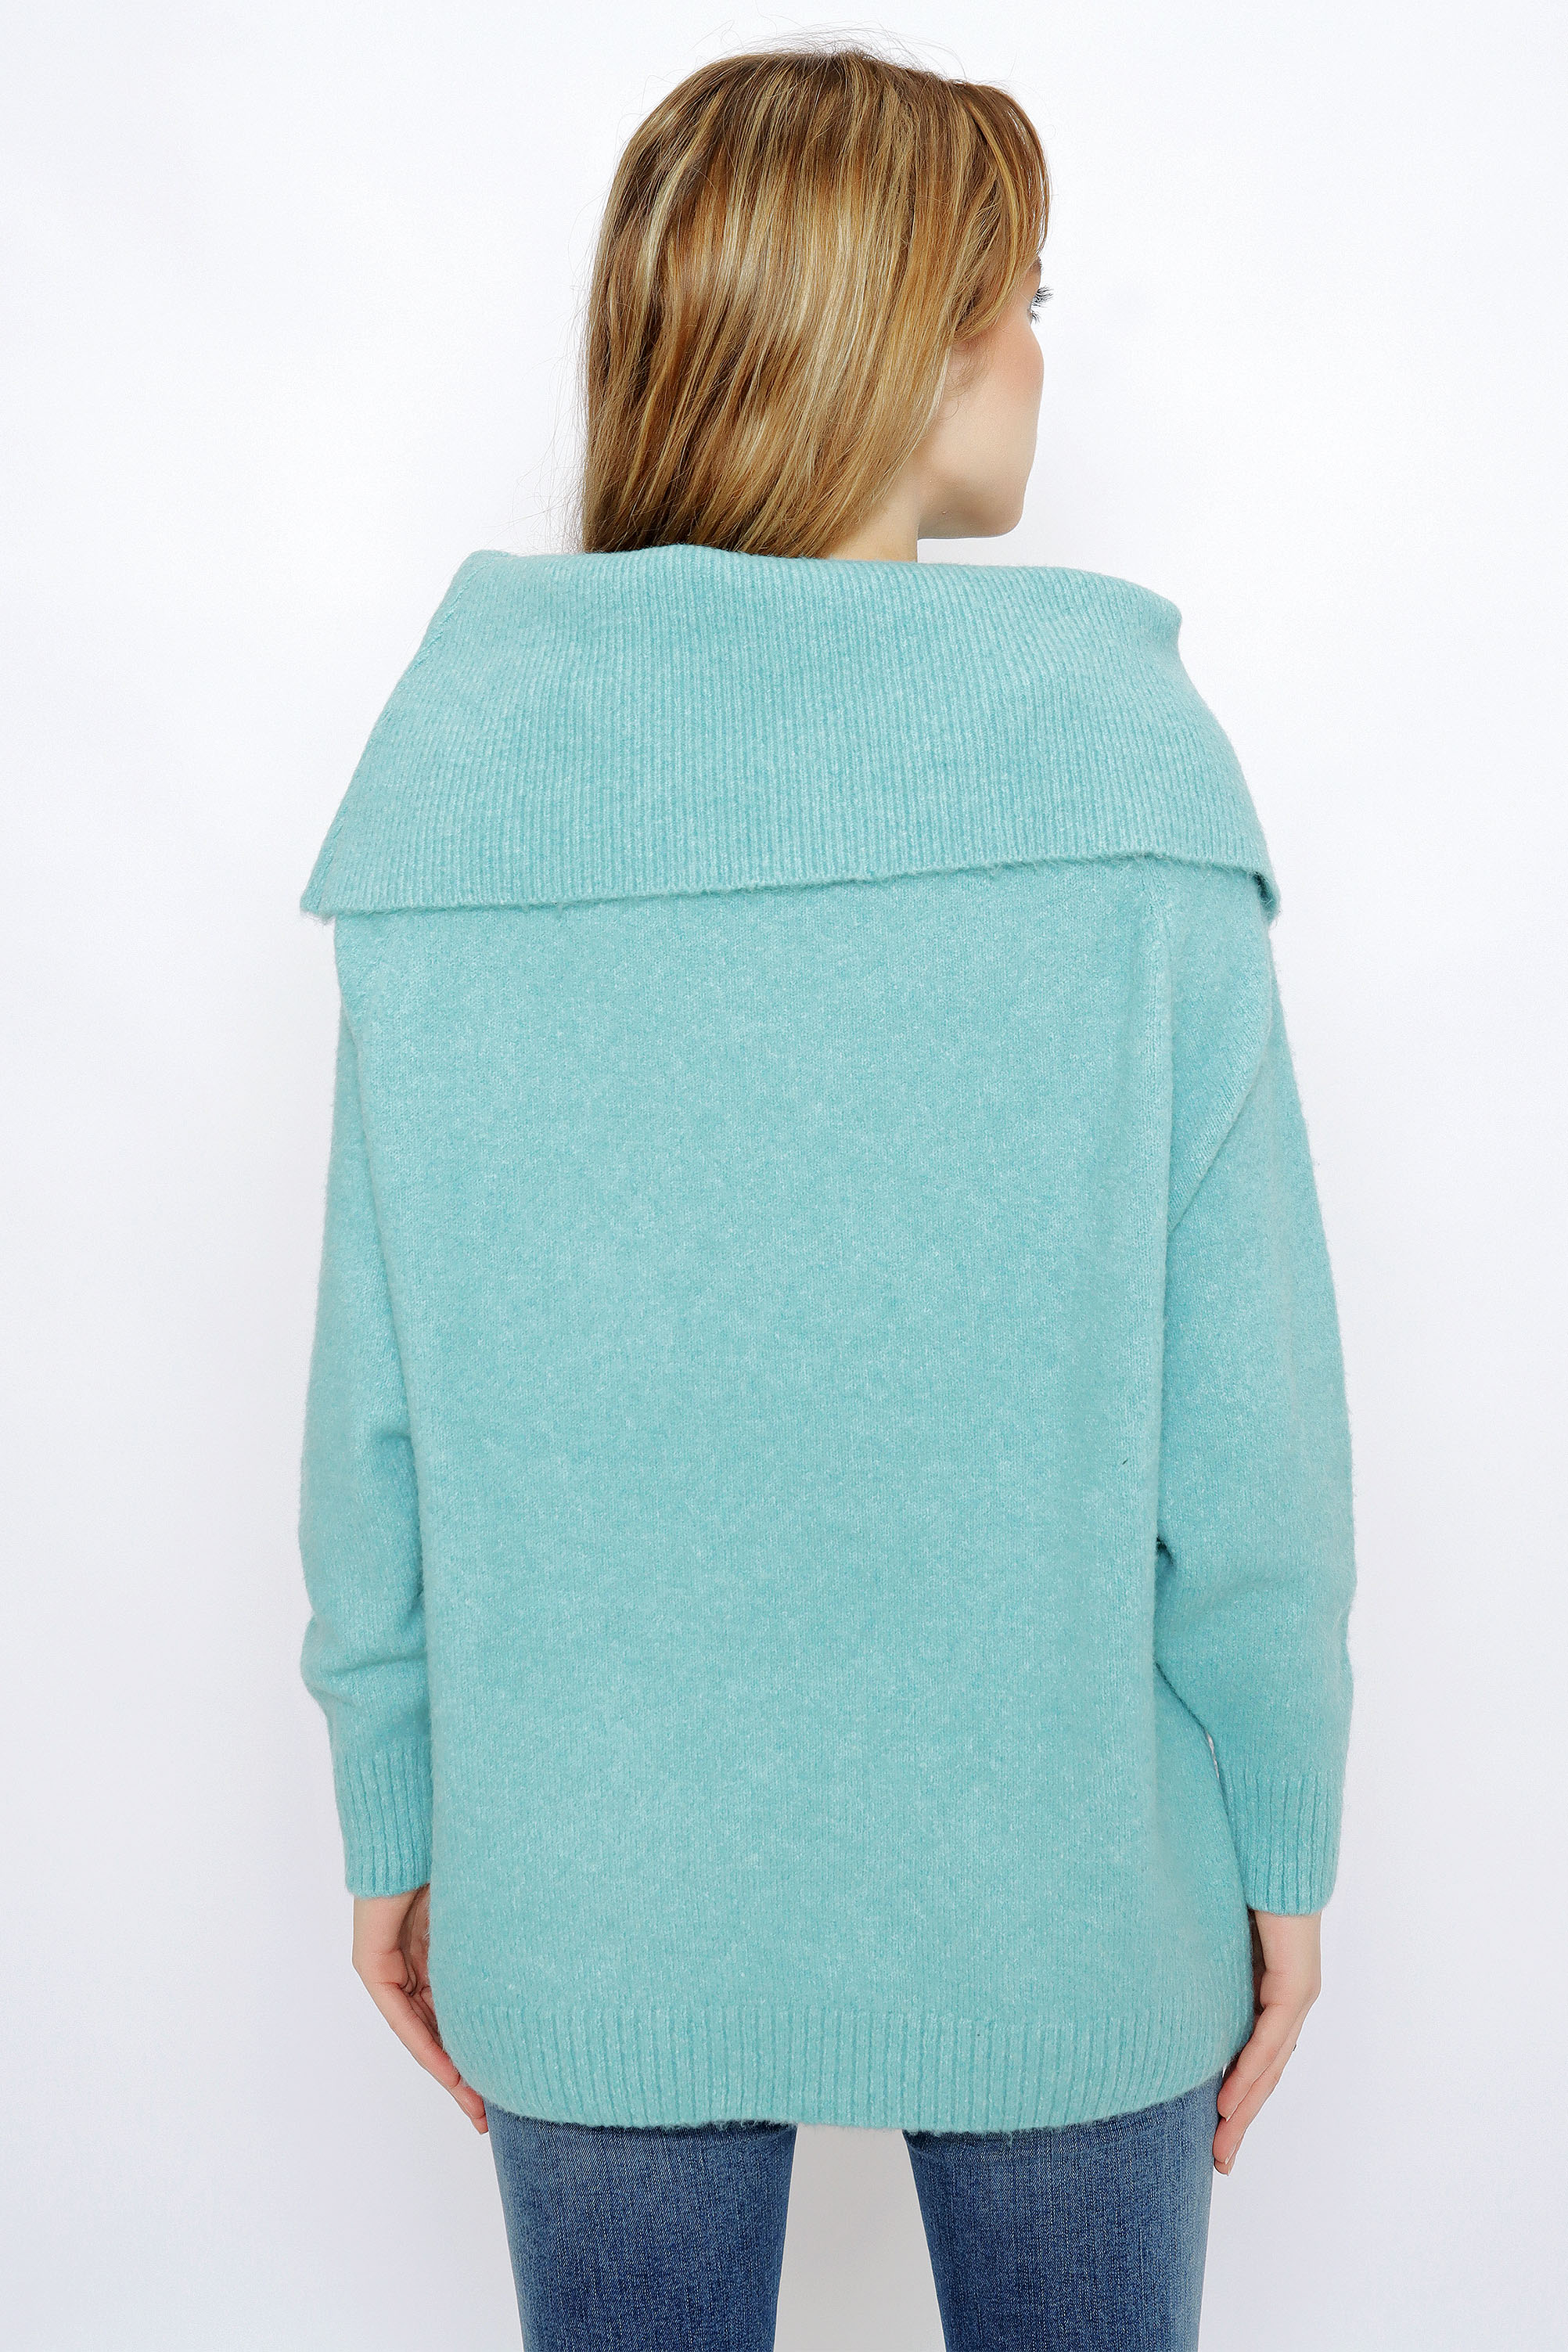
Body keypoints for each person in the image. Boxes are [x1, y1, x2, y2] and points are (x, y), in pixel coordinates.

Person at [296, 43, 1356, 2352]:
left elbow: (378, 1397)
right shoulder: (1123, 768)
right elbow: (1245, 1423)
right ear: (910, 336)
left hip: (588, 1884)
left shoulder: (459, 772)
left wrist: (398, 1796)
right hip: (1069, 1889)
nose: (1043, 355)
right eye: (1021, 298)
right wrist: (1281, 1830)